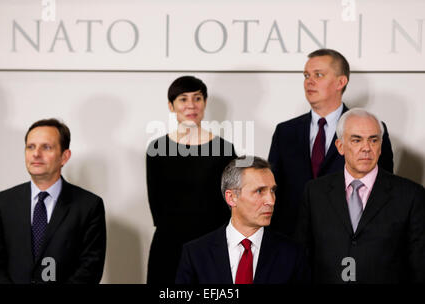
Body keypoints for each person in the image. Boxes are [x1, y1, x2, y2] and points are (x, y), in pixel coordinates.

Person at [268, 48, 394, 237]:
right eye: (306, 75)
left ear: (341, 82)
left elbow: (382, 191)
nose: (309, 82)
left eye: (318, 75)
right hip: (293, 240)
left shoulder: (371, 130)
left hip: (348, 240)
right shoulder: (285, 132)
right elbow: (273, 188)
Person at [295, 109, 425, 283]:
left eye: (373, 140)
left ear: (380, 147)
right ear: (340, 146)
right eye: (357, 140)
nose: (366, 148)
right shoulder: (314, 192)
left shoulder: (411, 195)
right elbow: (302, 257)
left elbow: (419, 266)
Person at [0, 118, 106, 284]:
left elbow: (90, 268)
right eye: (30, 147)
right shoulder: (3, 202)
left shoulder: (89, 206)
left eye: (46, 147)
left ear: (64, 156)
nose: (36, 154)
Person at [146, 76, 237, 284]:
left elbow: (230, 202)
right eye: (183, 99)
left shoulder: (225, 149)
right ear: (171, 106)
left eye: (197, 98)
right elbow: (156, 205)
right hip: (169, 245)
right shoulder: (157, 149)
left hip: (213, 244)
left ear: (205, 103)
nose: (191, 105)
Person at [175, 156, 310, 284]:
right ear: (232, 197)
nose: (271, 200)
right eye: (259, 191)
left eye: (273, 191)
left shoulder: (293, 255)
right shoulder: (195, 254)